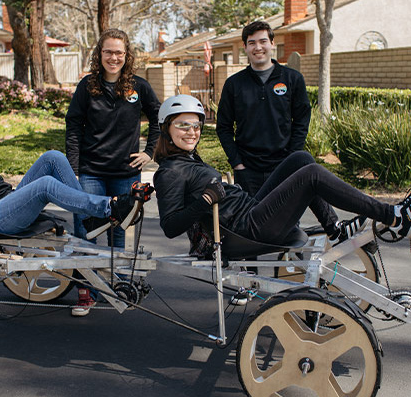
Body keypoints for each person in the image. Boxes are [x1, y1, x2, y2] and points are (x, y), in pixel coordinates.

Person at [0, 86, 148, 317]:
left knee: (53, 158)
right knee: (45, 185)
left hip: (5, 201)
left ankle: (90, 219)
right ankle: (108, 207)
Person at [153, 95, 411, 257]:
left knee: (300, 160)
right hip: (246, 230)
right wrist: (207, 200)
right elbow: (171, 226)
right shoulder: (169, 172)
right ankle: (392, 216)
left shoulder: (187, 159)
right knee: (311, 175)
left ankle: (335, 230)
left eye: (196, 125)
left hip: (250, 212)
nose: (192, 132)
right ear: (167, 129)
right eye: (182, 125)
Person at [66, 28, 161, 248]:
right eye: (108, 52)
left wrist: (150, 152)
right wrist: (73, 167)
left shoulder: (139, 86)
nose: (113, 58)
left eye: (119, 53)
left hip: (125, 174)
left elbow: (160, 118)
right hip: (91, 173)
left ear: (127, 55)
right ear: (99, 54)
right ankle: (84, 281)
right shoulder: (87, 86)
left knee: (118, 232)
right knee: (85, 230)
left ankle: (115, 281)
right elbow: (73, 126)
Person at [216, 20, 311, 198]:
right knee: (251, 222)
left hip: (283, 166)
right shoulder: (234, 84)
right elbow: (223, 127)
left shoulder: (292, 78)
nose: (258, 47)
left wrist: (291, 158)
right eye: (252, 43)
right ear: (245, 47)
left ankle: (334, 225)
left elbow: (302, 121)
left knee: (287, 221)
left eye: (263, 41)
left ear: (272, 44)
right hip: (247, 170)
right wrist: (237, 163)